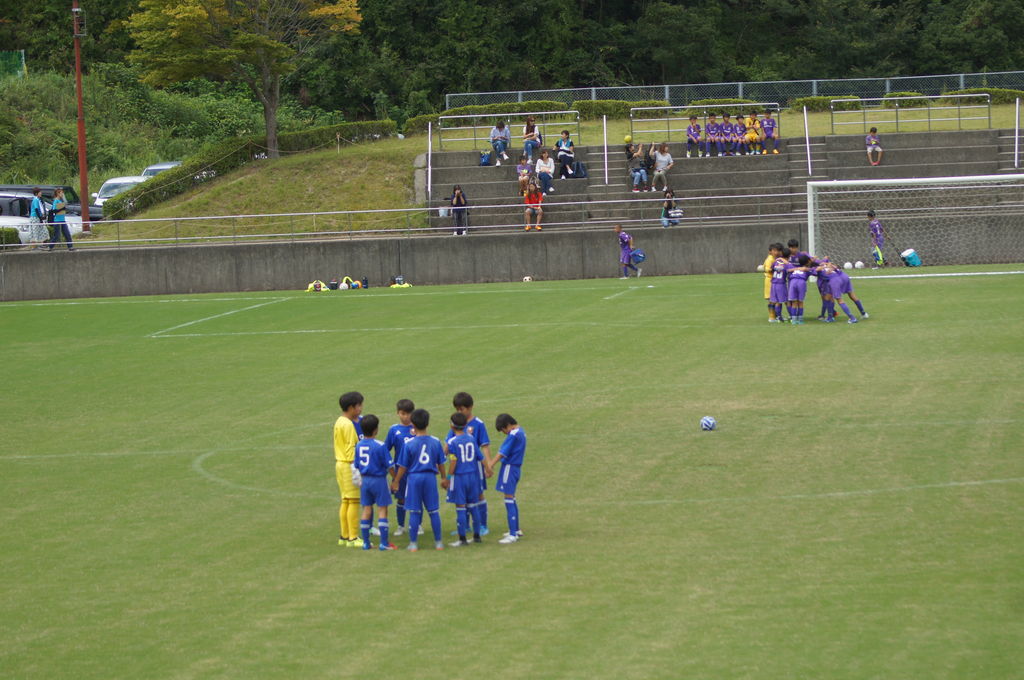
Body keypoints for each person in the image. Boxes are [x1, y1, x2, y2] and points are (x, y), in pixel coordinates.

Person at [390, 408, 448, 551]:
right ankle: (439, 543)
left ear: (413, 424)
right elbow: (441, 462)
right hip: (430, 478)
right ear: (427, 423)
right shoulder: (435, 441)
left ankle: (413, 544)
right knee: (433, 511)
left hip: (414, 479)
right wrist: (444, 477)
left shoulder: (409, 443)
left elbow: (402, 466)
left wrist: (396, 480)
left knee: (414, 511)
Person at [451, 391, 492, 536]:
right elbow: (449, 444)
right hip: (460, 469)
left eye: (462, 409)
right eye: (457, 409)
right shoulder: (456, 423)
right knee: (463, 496)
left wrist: (489, 465)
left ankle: (483, 525)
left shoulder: (478, 424)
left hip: (475, 468)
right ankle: (465, 526)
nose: (459, 412)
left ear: (470, 407)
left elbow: (485, 445)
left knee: (478, 495)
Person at [355, 415, 397, 551]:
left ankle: (366, 543)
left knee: (366, 509)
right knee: (382, 509)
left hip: (365, 480)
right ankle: (384, 543)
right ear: (376, 430)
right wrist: (395, 479)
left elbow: (356, 465)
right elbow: (389, 466)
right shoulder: (380, 445)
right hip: (378, 480)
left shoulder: (359, 445)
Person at [445, 412, 484, 547]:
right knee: (473, 506)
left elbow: (453, 462)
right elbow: (480, 456)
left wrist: (448, 477)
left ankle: (462, 539)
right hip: (473, 476)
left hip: (460, 477)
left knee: (460, 507)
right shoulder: (472, 439)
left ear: (452, 425)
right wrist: (488, 469)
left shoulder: (452, 442)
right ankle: (477, 536)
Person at [490, 413, 526, 544]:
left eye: (503, 430)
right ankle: (516, 529)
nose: (504, 433)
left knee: (508, 499)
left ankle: (512, 535)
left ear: (508, 425)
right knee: (512, 498)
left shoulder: (513, 435)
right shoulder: (521, 432)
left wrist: (490, 465)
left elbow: (502, 453)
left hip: (509, 469)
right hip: (516, 469)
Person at [334, 391, 364, 547]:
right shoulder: (349, 425)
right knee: (353, 501)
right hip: (348, 464)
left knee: (345, 501)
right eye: (359, 406)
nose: (360, 409)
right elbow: (352, 448)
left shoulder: (339, 421)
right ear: (352, 407)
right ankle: (353, 537)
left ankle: (344, 536)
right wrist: (356, 468)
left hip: (339, 463)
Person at [383, 399, 416, 536]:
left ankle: (417, 525)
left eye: (408, 414)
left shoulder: (417, 428)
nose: (406, 417)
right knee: (401, 498)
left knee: (415, 498)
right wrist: (390, 466)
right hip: (399, 472)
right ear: (398, 413)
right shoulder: (394, 430)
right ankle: (401, 526)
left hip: (415, 470)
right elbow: (385, 450)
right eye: (403, 413)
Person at [787, 255, 813, 324]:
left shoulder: (795, 268)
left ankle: (794, 320)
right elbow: (815, 271)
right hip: (801, 282)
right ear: (808, 262)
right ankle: (800, 319)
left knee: (794, 302)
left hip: (793, 282)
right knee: (800, 302)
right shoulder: (806, 269)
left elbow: (788, 271)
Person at [769, 245, 790, 322]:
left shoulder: (775, 262)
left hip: (773, 283)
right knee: (786, 301)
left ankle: (779, 317)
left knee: (777, 301)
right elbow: (791, 269)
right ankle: (792, 316)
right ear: (789, 256)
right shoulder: (787, 264)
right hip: (781, 284)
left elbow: (771, 269)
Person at [762, 243, 780, 322]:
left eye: (777, 251)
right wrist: (776, 269)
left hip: (773, 280)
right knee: (772, 299)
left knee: (775, 299)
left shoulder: (774, 258)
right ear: (770, 252)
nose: (776, 252)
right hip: (770, 280)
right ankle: (771, 317)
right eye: (774, 251)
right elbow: (767, 268)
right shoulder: (770, 259)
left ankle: (775, 316)